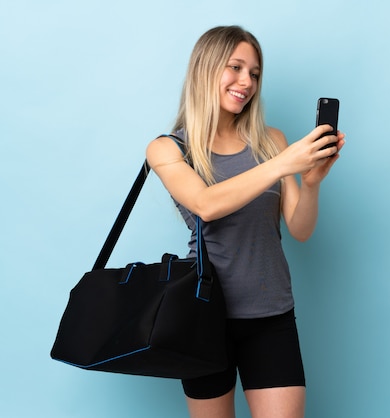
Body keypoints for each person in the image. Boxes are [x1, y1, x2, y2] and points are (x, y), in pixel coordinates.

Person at [146, 25, 345, 418]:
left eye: (254, 73)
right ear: (206, 69)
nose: (246, 81)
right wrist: (282, 165)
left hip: (272, 314)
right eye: (235, 67)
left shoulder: (272, 140)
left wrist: (311, 183)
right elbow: (205, 204)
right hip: (204, 317)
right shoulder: (168, 148)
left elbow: (300, 230)